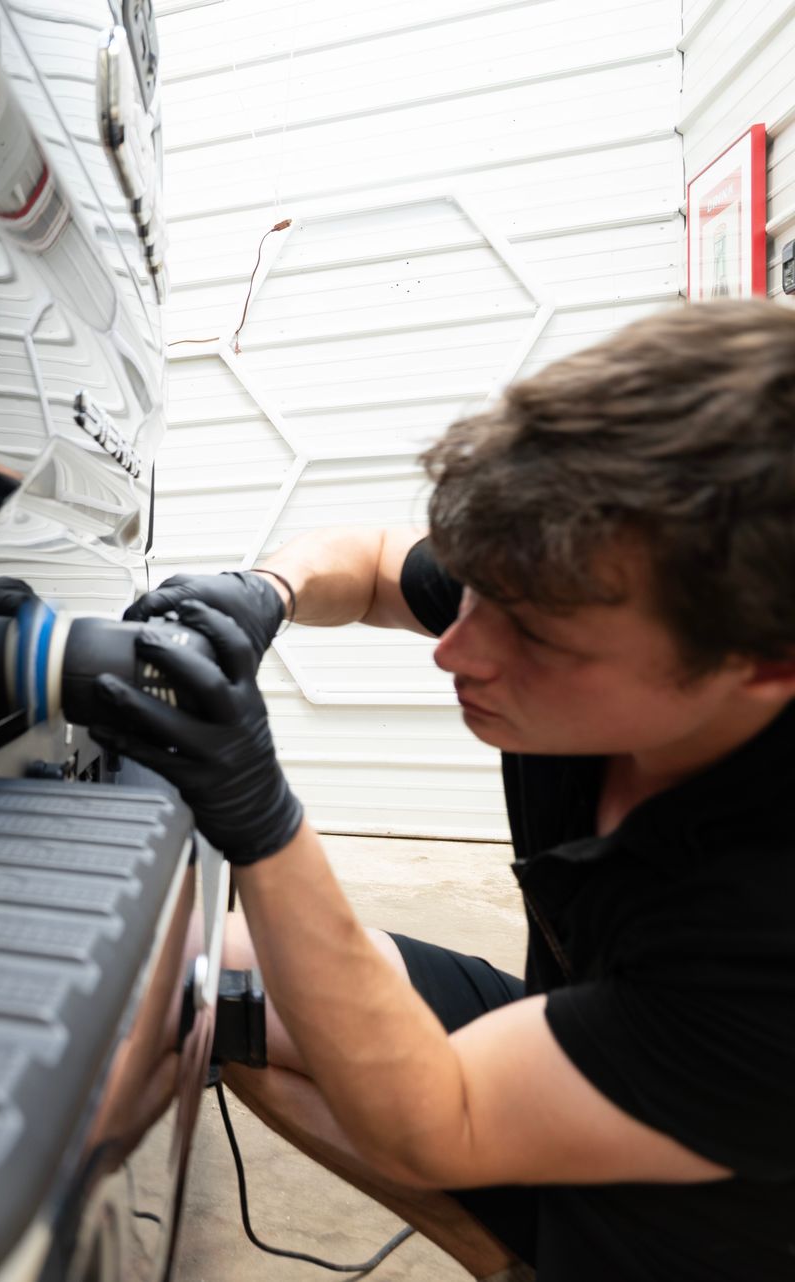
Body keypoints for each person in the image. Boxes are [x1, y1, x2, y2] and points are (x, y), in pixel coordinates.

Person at [90, 299, 795, 1280]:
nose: (456, 651)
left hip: (721, 1208)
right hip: (606, 1023)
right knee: (225, 974)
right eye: (471, 592)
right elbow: (377, 566)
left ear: (761, 665)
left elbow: (436, 1120)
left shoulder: (768, 940)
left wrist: (257, 817)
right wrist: (271, 590)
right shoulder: (571, 575)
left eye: (537, 637)